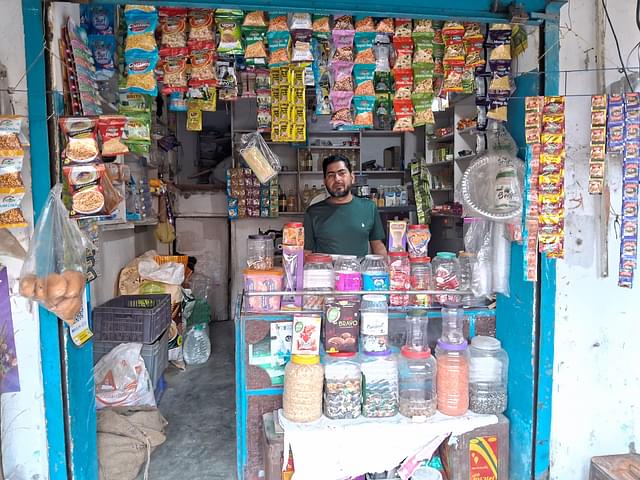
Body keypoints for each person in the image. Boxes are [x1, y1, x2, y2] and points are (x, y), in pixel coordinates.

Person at [304, 154, 387, 257]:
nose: (337, 179)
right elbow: (306, 252)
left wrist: (387, 268)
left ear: (352, 177)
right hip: (325, 271)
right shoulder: (313, 212)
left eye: (342, 173)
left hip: (358, 271)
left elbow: (378, 245)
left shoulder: (369, 208)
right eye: (331, 175)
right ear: (324, 181)